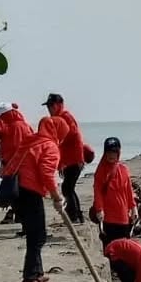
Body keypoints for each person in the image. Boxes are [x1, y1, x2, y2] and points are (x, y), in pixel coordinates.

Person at [2, 116, 67, 282]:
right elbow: (47, 174)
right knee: (37, 237)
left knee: (34, 234)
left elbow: (12, 163)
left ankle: (37, 272)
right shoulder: (50, 146)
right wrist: (56, 197)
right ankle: (29, 280)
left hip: (17, 194)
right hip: (30, 193)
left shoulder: (31, 140)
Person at [44, 93, 85, 223]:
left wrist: (78, 158)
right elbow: (60, 144)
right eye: (48, 106)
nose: (49, 109)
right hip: (68, 160)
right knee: (68, 187)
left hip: (74, 159)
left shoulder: (65, 117)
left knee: (67, 188)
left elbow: (74, 135)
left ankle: (74, 216)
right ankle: (77, 215)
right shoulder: (58, 119)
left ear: (59, 105)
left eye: (52, 105)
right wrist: (61, 163)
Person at [0, 101, 34, 229]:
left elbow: (12, 151)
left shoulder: (12, 128)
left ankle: (25, 226)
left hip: (15, 168)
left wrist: (5, 167)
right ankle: (25, 226)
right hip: (26, 167)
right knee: (23, 196)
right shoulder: (25, 126)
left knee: (16, 197)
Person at [93, 137, 136, 241]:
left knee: (124, 247)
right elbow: (97, 192)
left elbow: (129, 190)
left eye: (114, 152)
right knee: (110, 248)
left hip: (123, 217)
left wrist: (133, 207)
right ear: (105, 153)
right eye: (109, 152)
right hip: (108, 218)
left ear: (118, 153)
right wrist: (99, 209)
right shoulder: (100, 171)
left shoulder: (123, 170)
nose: (111, 155)